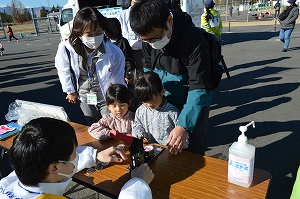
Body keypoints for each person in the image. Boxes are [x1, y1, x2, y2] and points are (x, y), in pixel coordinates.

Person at [130, 0, 212, 155]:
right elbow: (149, 74)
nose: (152, 43)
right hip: (162, 99)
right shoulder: (149, 39)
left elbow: (199, 88)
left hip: (192, 101)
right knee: (161, 148)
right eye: (146, 40)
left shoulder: (195, 41)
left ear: (169, 20)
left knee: (190, 150)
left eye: (155, 37)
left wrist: (184, 125)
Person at [0, 117, 154, 198]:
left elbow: (62, 166)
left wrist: (96, 155)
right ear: (54, 168)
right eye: (74, 154)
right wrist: (137, 184)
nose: (77, 157)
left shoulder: (11, 180)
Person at [55, 7, 127, 126]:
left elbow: (118, 79)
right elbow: (63, 70)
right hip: (84, 96)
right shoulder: (66, 48)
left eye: (98, 33)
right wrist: (70, 91)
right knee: (93, 125)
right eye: (89, 34)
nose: (94, 38)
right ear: (79, 32)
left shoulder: (114, 52)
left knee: (111, 126)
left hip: (107, 98)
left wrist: (119, 100)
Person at [132, 71, 188, 148]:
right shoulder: (141, 110)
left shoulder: (172, 112)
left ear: (162, 92)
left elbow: (181, 134)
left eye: (152, 100)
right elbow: (137, 125)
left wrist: (175, 144)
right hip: (148, 148)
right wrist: (140, 136)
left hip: (167, 150)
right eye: (144, 101)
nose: (148, 105)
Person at [116, 0, 144, 77]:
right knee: (129, 77)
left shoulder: (147, 12)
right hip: (126, 52)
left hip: (142, 51)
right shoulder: (122, 15)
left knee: (142, 76)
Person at [106, 18, 136, 84]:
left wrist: (128, 75)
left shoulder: (122, 42)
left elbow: (128, 59)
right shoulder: (105, 42)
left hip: (121, 74)